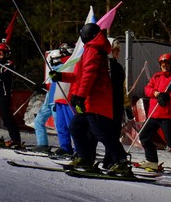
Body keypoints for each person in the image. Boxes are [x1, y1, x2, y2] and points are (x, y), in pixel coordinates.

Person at [50, 23, 132, 176]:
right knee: (76, 127)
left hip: (96, 100)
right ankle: (85, 158)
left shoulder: (93, 50)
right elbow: (79, 76)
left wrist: (80, 96)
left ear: (87, 35)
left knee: (101, 132)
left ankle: (121, 161)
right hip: (89, 100)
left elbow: (89, 75)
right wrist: (60, 76)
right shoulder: (90, 49)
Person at [136, 52, 171, 173]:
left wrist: (169, 97)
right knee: (144, 135)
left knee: (170, 140)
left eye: (167, 63)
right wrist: (155, 93)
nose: (165, 65)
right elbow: (147, 88)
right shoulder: (156, 76)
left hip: (167, 115)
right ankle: (152, 160)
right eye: (162, 63)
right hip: (154, 114)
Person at [103, 38, 134, 169]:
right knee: (105, 134)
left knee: (115, 134)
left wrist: (127, 106)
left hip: (117, 105)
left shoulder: (119, 67)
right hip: (106, 105)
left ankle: (109, 161)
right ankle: (87, 156)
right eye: (114, 50)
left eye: (118, 50)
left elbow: (123, 89)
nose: (117, 52)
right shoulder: (105, 65)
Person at [31, 47, 69, 153]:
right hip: (49, 101)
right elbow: (52, 86)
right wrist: (43, 87)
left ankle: (66, 147)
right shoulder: (53, 70)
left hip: (56, 101)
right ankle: (42, 144)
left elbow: (61, 85)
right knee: (38, 121)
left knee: (60, 125)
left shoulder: (61, 69)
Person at [49, 43, 76, 158]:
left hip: (69, 98)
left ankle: (79, 149)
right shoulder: (62, 64)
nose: (61, 54)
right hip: (59, 98)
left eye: (63, 52)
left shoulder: (74, 62)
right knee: (61, 126)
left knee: (73, 126)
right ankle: (65, 147)